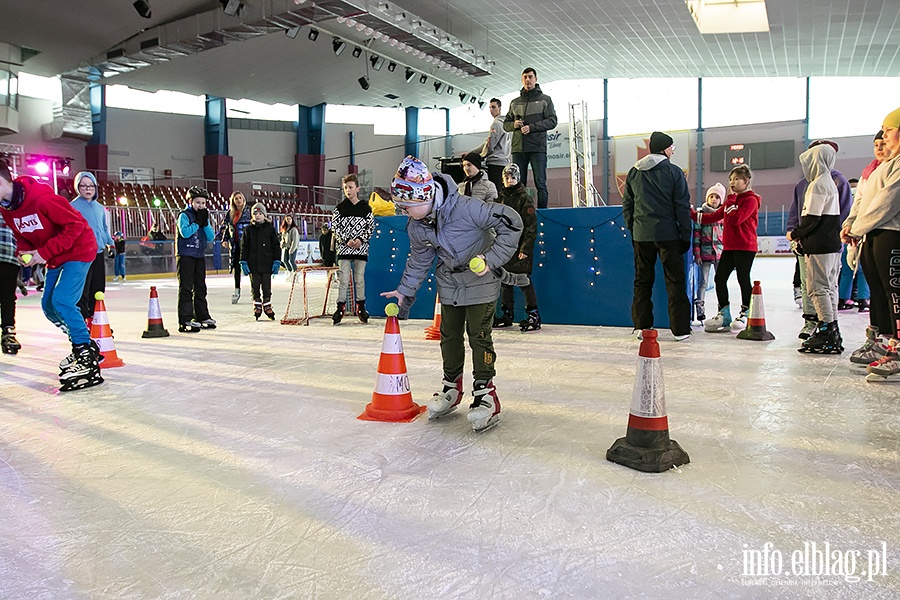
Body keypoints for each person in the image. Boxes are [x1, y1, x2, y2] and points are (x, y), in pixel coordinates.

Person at [381, 156, 523, 433]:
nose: (406, 211)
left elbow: (512, 222)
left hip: (481, 282)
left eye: (409, 206)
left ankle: (485, 392)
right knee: (449, 335)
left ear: (425, 196)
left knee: (480, 336)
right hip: (449, 283)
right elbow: (420, 260)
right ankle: (451, 387)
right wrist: (404, 290)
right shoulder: (417, 225)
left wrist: (491, 259)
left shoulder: (468, 208)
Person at [0, 160, 102, 391]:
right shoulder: (7, 209)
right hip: (55, 256)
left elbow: (76, 226)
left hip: (79, 249)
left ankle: (84, 353)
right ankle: (84, 345)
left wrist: (43, 252)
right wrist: (23, 252)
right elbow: (23, 234)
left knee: (63, 301)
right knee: (48, 307)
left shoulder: (43, 199)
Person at [842, 109, 900, 380]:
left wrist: (856, 228)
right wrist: (851, 227)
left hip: (892, 233)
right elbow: (864, 201)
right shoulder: (884, 166)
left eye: (888, 130)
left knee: (894, 293)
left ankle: (898, 351)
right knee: (879, 290)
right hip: (874, 234)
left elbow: (886, 203)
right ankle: (888, 342)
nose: (884, 136)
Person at [622, 131, 693, 341]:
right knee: (675, 281)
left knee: (642, 280)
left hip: (641, 235)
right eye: (672, 147)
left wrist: (633, 229)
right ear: (664, 148)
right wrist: (685, 235)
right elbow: (681, 206)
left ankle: (642, 326)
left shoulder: (634, 172)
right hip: (668, 234)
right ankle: (680, 329)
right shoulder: (674, 172)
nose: (672, 151)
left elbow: (628, 205)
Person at [786, 140, 854, 339]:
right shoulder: (826, 183)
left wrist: (795, 234)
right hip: (829, 245)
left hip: (818, 245)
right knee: (829, 286)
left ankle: (825, 329)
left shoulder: (819, 185)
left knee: (818, 288)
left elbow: (811, 219)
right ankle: (831, 326)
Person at [698, 165, 762, 332]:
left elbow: (735, 219)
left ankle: (746, 311)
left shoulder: (751, 200)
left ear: (746, 181)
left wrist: (732, 199)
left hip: (745, 246)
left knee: (743, 278)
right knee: (720, 278)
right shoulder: (730, 201)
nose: (732, 183)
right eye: (731, 179)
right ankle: (724, 313)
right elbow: (715, 215)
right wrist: (693, 214)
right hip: (730, 246)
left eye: (736, 179)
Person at [492, 163, 540, 331]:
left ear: (517, 178)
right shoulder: (500, 198)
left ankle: (533, 314)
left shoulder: (524, 199)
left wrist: (525, 249)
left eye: (512, 177)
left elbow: (531, 227)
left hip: (519, 247)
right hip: (504, 247)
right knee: (505, 280)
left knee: (522, 280)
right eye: (506, 177)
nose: (509, 180)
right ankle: (506, 313)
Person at [503, 67, 557, 209]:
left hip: (537, 148)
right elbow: (505, 125)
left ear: (536, 79)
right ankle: (519, 215)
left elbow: (552, 121)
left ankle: (543, 215)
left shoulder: (545, 100)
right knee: (518, 184)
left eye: (530, 77)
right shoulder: (515, 102)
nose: (528, 79)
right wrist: (513, 124)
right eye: (525, 77)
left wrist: (532, 127)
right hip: (518, 149)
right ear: (522, 79)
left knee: (541, 183)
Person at [71, 171, 114, 326]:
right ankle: (82, 321)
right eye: (83, 186)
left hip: (98, 252)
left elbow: (103, 228)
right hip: (82, 255)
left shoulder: (99, 208)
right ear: (77, 187)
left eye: (91, 186)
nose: (88, 189)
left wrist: (110, 243)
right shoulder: (72, 207)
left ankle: (95, 319)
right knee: (83, 288)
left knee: (98, 287)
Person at [331, 173, 374, 324]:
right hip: (344, 249)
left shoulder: (366, 208)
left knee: (359, 279)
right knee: (343, 279)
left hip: (361, 250)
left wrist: (360, 240)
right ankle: (340, 306)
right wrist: (346, 240)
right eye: (345, 188)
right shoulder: (339, 209)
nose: (348, 191)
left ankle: (361, 307)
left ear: (357, 189)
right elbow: (335, 227)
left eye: (350, 187)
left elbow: (370, 227)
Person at [175, 186, 216, 333]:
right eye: (198, 202)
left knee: (200, 286)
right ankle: (185, 318)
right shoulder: (184, 215)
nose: (201, 206)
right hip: (185, 255)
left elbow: (211, 237)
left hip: (199, 255)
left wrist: (204, 224)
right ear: (190, 202)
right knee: (186, 287)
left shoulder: (204, 216)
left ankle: (202, 315)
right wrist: (197, 223)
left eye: (203, 203)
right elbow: (184, 232)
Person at [240, 203, 281, 320]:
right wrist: (243, 261)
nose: (257, 216)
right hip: (253, 264)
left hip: (267, 264)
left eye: (260, 213)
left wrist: (277, 261)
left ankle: (267, 305)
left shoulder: (271, 229)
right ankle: (257, 305)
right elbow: (244, 247)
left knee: (266, 286)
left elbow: (276, 246)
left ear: (264, 215)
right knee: (255, 286)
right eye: (255, 214)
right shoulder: (248, 230)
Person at [692, 183, 725, 323]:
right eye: (711, 196)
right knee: (703, 281)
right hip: (705, 254)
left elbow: (726, 236)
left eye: (717, 197)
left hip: (719, 254)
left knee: (721, 281)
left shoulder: (723, 216)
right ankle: (700, 306)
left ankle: (723, 309)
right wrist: (697, 254)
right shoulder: (701, 215)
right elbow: (697, 236)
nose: (714, 199)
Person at [473, 98, 512, 192]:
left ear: (500, 108)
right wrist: (473, 152)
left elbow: (489, 146)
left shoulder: (496, 124)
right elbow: (487, 143)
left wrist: (479, 156)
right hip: (505, 162)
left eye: (493, 107)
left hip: (495, 164)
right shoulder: (507, 125)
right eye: (490, 107)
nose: (491, 110)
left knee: (495, 192)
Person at [221, 191, 251, 304]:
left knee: (251, 267)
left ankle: (256, 291)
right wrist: (225, 239)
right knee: (236, 269)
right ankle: (237, 290)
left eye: (240, 198)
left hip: (248, 245)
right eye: (236, 198)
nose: (238, 200)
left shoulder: (249, 212)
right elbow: (226, 227)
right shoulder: (230, 213)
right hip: (235, 245)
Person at [0, 210, 21, 354]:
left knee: (7, 296)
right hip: (10, 255)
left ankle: (8, 330)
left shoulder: (12, 204)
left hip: (9, 255)